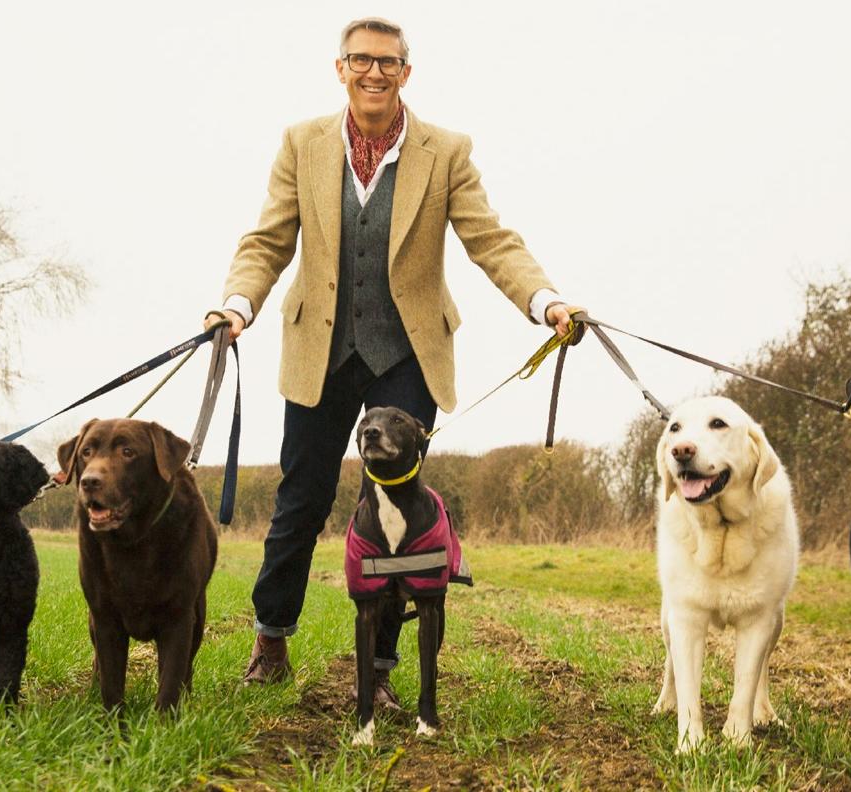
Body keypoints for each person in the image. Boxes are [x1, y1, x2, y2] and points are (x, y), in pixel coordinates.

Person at [205, 17, 582, 702]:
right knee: (303, 496)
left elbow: (491, 240)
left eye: (388, 62)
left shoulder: (446, 152)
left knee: (393, 514)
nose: (373, 73)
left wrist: (546, 302)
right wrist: (237, 303)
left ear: (406, 72)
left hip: (405, 352)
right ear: (340, 68)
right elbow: (267, 239)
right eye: (361, 61)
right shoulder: (302, 143)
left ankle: (377, 672)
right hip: (318, 348)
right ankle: (271, 636)